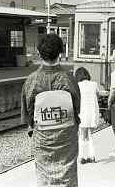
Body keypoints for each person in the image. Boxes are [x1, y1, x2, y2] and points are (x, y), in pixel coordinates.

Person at [21, 33, 81, 186]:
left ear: (39, 53)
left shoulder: (31, 81)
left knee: (44, 176)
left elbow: (27, 113)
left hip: (43, 137)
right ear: (60, 52)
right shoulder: (68, 78)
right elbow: (77, 107)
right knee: (68, 174)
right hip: (66, 135)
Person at [74, 67, 99, 164]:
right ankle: (92, 156)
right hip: (92, 112)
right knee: (90, 135)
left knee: (82, 136)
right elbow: (97, 95)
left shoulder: (78, 85)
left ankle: (81, 157)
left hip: (82, 112)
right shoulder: (94, 84)